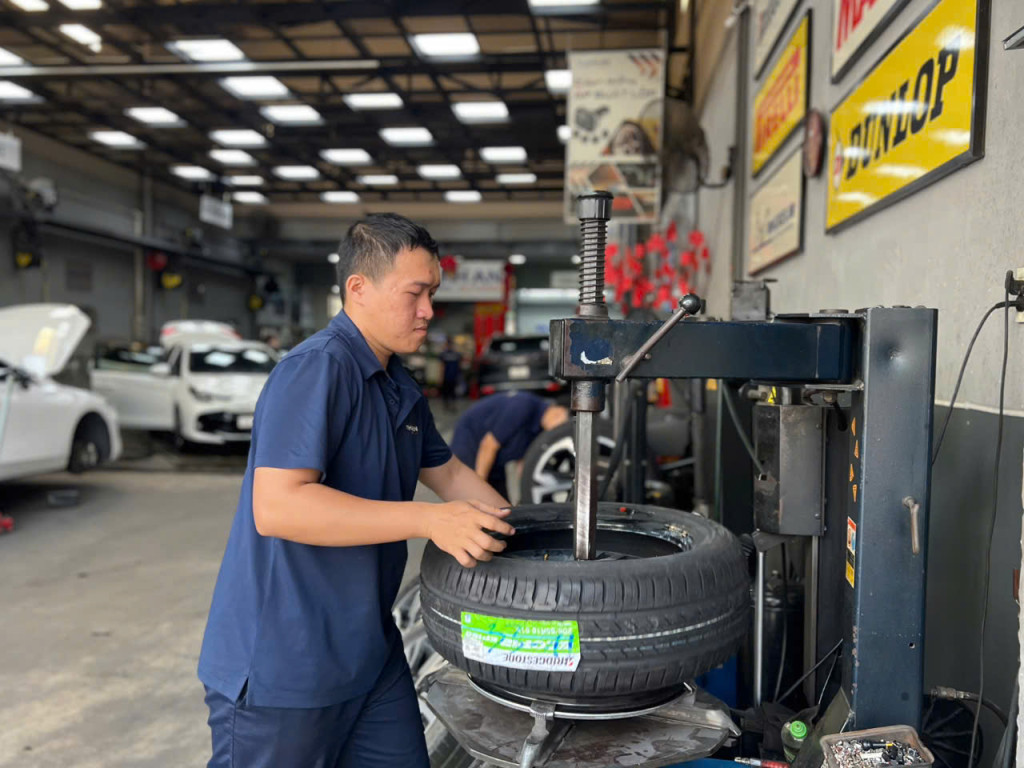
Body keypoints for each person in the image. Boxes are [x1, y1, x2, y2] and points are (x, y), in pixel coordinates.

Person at [197, 213, 513, 768]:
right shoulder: (316, 370)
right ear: (358, 288)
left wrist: (533, 537)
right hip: (285, 663)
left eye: (433, 294)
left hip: (368, 653)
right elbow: (278, 506)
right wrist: (429, 521)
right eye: (415, 293)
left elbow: (450, 475)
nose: (429, 311)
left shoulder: (399, 385)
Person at [450, 391, 570, 501]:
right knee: (476, 501)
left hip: (495, 460)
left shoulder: (541, 429)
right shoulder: (523, 406)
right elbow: (489, 445)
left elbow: (524, 464)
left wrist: (525, 498)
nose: (558, 432)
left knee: (502, 506)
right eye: (562, 425)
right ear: (558, 410)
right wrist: (479, 489)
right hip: (471, 444)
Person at [438, 339, 461, 411]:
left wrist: (440, 377)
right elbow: (442, 367)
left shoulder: (444, 354)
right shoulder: (456, 354)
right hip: (450, 376)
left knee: (449, 392)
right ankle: (449, 405)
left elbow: (442, 367)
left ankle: (449, 405)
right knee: (450, 392)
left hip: (450, 376)